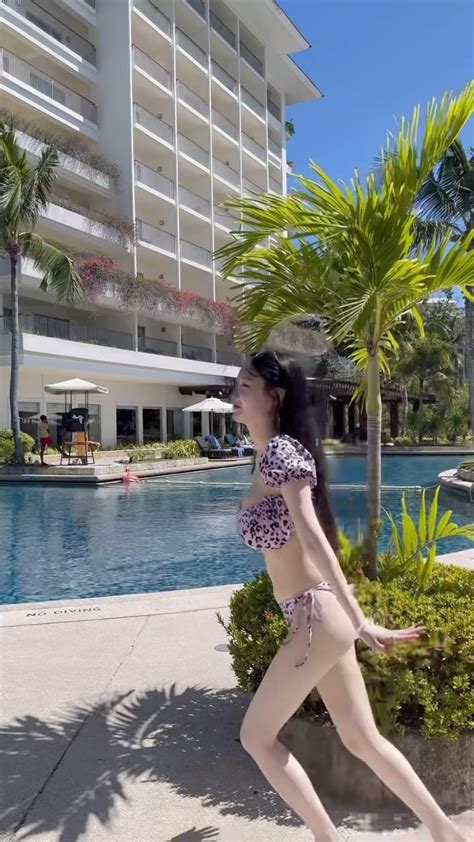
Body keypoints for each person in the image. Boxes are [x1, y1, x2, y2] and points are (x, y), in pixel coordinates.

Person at [232, 351, 464, 842]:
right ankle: (445, 832)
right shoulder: (265, 455)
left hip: (315, 616)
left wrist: (359, 620)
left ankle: (327, 838)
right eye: (237, 384)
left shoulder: (281, 453)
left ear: (274, 397)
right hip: (314, 615)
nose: (236, 393)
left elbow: (315, 538)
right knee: (362, 739)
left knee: (256, 737)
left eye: (246, 385)